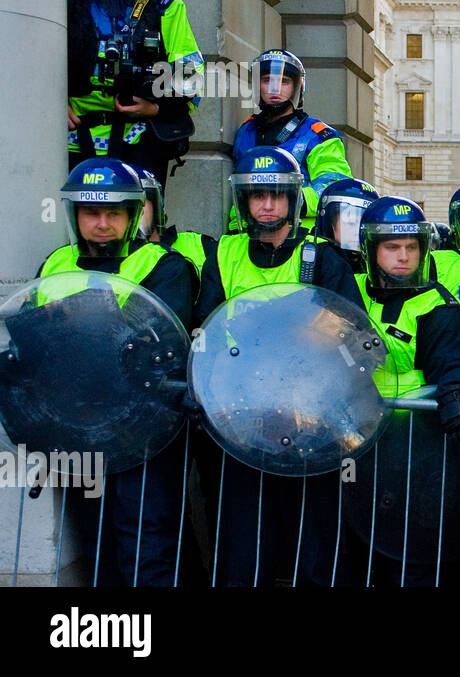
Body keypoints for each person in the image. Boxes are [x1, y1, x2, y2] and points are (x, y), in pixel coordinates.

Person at [194, 145, 363, 587]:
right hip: (242, 424)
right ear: (244, 202)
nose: (267, 204)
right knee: (242, 553)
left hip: (313, 424)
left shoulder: (323, 257)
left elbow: (358, 340)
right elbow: (205, 331)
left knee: (314, 554)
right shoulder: (224, 254)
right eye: (256, 195)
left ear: (293, 200)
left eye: (276, 195)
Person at [38, 159, 196, 586]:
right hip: (79, 431)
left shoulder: (164, 266)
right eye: (92, 213)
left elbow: (146, 345)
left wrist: (71, 329)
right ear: (75, 215)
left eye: (114, 213)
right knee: (94, 547)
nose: (102, 223)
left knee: (147, 546)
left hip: (143, 432)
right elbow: (36, 348)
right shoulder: (55, 264)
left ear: (131, 215)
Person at [350, 197, 460, 586]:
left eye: (412, 247)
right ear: (371, 249)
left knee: (407, 555)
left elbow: (447, 373)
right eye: (392, 247)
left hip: (409, 447)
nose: (403, 257)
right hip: (351, 439)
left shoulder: (437, 305)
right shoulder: (349, 289)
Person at [67, 0, 202, 188]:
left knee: (143, 227)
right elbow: (27, 59)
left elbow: (192, 77)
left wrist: (155, 109)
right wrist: (47, 106)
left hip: (140, 140)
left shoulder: (164, 4)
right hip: (72, 139)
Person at [229, 49, 351, 232]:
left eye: (284, 82)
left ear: (297, 88)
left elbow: (334, 187)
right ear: (256, 86)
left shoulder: (318, 135)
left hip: (299, 235)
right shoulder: (245, 132)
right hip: (247, 235)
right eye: (266, 80)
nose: (274, 89)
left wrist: (290, 201)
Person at [138, 168, 216, 281]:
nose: (133, 211)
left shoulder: (199, 245)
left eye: (139, 203)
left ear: (156, 207)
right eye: (118, 210)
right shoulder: (111, 261)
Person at [312, 177, 380, 274]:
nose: (356, 232)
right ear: (329, 223)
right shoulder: (307, 262)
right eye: (350, 222)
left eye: (363, 226)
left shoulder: (377, 272)